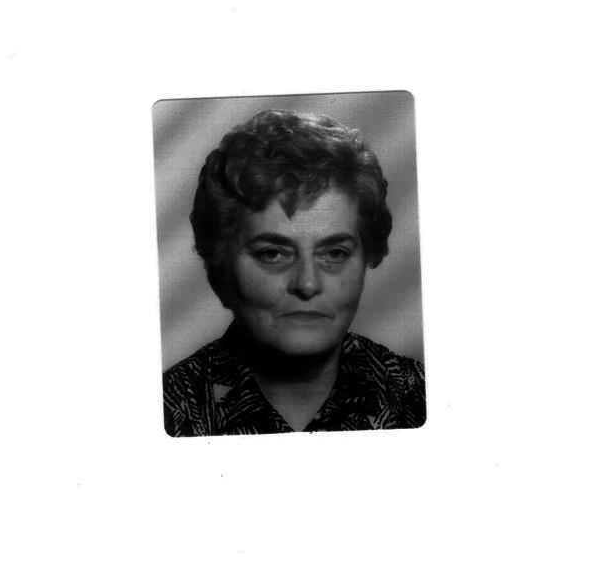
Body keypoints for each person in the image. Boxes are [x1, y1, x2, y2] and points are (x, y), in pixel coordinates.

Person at [162, 109, 425, 436]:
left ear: (365, 258)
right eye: (273, 254)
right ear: (219, 268)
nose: (308, 284)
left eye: (334, 253)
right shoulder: (168, 411)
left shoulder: (417, 397)